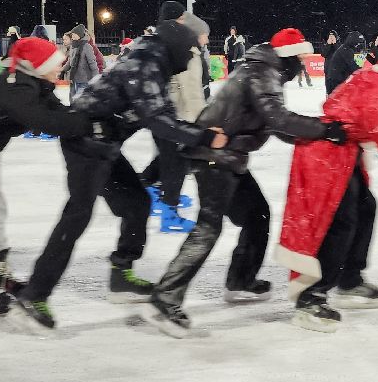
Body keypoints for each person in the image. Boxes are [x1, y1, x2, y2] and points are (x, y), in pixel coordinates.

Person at [8, 19, 227, 334]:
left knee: (137, 203)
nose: (192, 58)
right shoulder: (146, 63)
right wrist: (204, 137)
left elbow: (162, 121)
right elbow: (157, 119)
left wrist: (180, 160)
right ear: (177, 48)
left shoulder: (155, 63)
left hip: (105, 144)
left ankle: (121, 274)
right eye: (190, 52)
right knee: (77, 215)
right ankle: (34, 295)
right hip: (85, 141)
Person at [147, 29, 344, 336]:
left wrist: (316, 135)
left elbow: (272, 124)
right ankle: (165, 298)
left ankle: (241, 279)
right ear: (289, 56)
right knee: (208, 227)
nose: (303, 65)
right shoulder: (262, 71)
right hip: (214, 156)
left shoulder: (264, 69)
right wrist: (324, 129)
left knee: (257, 214)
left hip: (228, 156)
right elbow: (278, 118)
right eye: (300, 59)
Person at [275, 39, 378, 331]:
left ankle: (349, 278)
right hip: (326, 153)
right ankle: (311, 296)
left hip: (341, 150)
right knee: (339, 221)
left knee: (365, 207)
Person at [0, 36, 106, 316]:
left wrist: (91, 118)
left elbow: (60, 113)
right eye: (55, 63)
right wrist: (92, 125)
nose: (60, 67)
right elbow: (44, 121)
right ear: (39, 65)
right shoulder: (16, 87)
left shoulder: (36, 84)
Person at [140, 11, 208, 235]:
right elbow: (191, 93)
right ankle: (167, 208)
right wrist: (198, 122)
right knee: (176, 163)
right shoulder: (189, 54)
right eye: (205, 34)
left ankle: (153, 193)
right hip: (177, 116)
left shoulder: (175, 50)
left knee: (168, 160)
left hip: (167, 115)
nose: (207, 39)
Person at [65, 23, 101, 101]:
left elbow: (92, 63)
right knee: (73, 101)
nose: (72, 36)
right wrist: (62, 70)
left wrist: (96, 79)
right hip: (73, 79)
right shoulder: (73, 46)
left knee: (82, 101)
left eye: (74, 34)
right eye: (72, 34)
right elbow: (70, 61)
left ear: (79, 35)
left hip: (84, 80)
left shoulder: (86, 46)